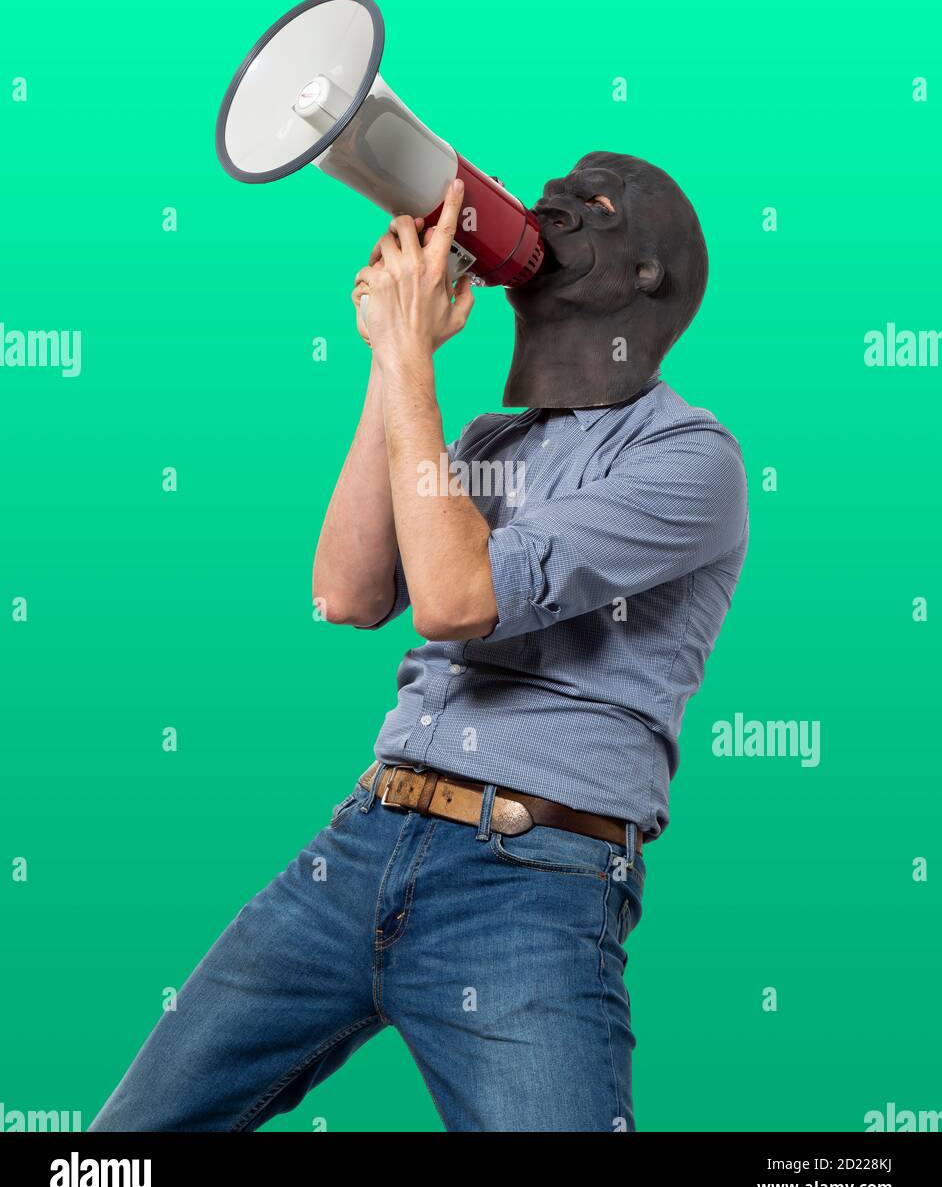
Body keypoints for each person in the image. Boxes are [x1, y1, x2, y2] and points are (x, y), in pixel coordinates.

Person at [89, 153, 748, 1133]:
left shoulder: (692, 459)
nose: (551, 204)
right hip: (361, 842)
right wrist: (391, 359)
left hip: (531, 881)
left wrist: (409, 358)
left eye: (593, 205)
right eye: (552, 189)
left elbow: (457, 600)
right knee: (121, 1151)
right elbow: (348, 593)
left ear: (651, 275)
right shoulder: (488, 443)